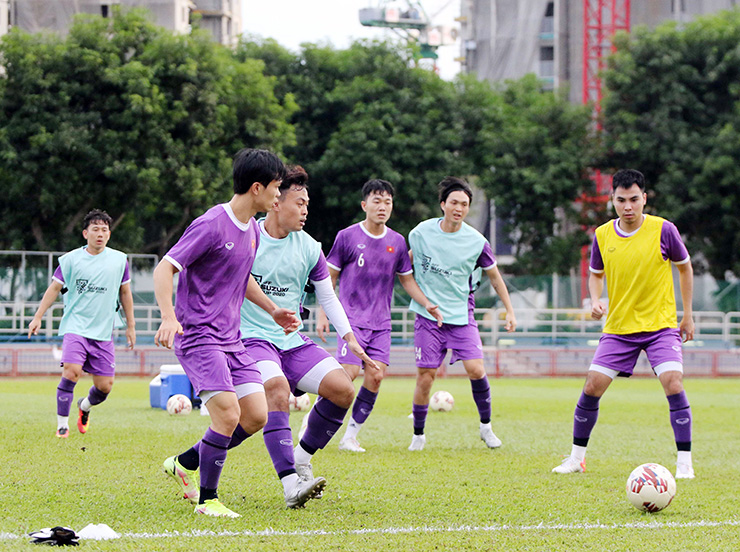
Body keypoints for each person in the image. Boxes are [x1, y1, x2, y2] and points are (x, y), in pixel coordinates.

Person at [154, 148, 300, 518]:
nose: (279, 196)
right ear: (256, 188)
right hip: (200, 337)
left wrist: (273, 310)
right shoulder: (211, 224)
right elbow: (164, 268)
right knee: (227, 416)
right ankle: (208, 500)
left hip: (230, 339)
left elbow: (242, 275)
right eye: (277, 188)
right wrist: (169, 317)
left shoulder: (251, 229)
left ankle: (184, 462)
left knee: (255, 415)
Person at [240, 166, 379, 507]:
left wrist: (349, 337)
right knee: (276, 391)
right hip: (250, 338)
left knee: (343, 390)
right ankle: (290, 484)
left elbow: (327, 295)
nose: (305, 210)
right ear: (276, 202)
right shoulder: (248, 237)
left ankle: (302, 456)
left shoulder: (310, 247)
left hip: (291, 341)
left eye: (307, 204)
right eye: (298, 203)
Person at [552, 169, 696, 479]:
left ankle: (684, 463)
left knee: (673, 383)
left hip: (660, 326)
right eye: (621, 200)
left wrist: (688, 315)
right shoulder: (603, 235)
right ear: (612, 200)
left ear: (644, 198)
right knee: (592, 386)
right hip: (618, 328)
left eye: (634, 199)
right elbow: (595, 274)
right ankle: (576, 458)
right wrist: (595, 300)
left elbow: (685, 269)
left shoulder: (664, 229)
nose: (628, 206)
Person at [316, 179, 443, 453]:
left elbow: (407, 280)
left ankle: (350, 436)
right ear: (364, 205)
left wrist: (427, 303)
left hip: (381, 324)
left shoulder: (397, 242)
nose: (382, 206)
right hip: (350, 321)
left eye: (387, 202)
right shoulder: (347, 236)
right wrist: (323, 313)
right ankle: (313, 420)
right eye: (377, 201)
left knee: (375, 377)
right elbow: (329, 278)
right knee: (346, 375)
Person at [407, 177, 516, 451]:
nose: (459, 208)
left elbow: (495, 277)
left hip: (461, 316)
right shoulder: (421, 233)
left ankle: (486, 428)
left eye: (464, 204)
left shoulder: (477, 241)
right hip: (428, 317)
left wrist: (509, 310)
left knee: (476, 370)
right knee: (426, 375)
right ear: (443, 204)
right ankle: (418, 435)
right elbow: (407, 263)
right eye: (454, 202)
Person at [28, 209, 135, 438]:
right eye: (95, 229)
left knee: (105, 387)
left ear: (109, 235)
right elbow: (54, 289)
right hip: (76, 326)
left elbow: (125, 293)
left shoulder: (119, 260)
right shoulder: (70, 260)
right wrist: (38, 316)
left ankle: (84, 406)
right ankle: (62, 425)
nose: (100, 234)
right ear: (85, 233)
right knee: (72, 372)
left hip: (104, 331)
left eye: (104, 230)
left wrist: (131, 326)